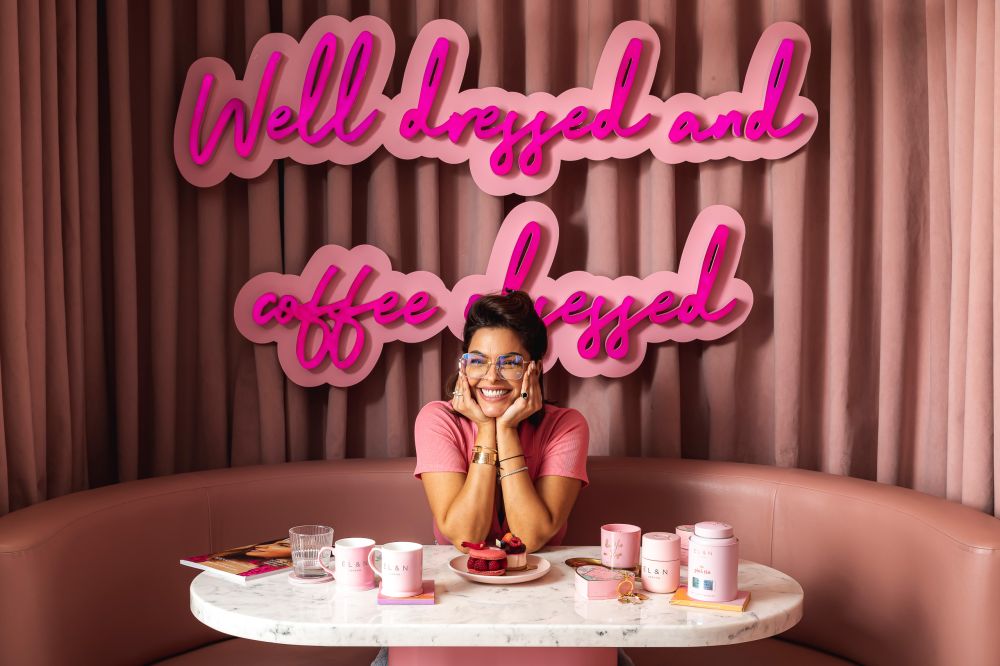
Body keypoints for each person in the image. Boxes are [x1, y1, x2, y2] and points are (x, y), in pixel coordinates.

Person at [413, 290, 589, 552]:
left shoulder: (566, 426)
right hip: (457, 582)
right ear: (464, 367)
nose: (491, 378)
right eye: (478, 361)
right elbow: (465, 536)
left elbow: (529, 538)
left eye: (509, 363)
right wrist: (486, 429)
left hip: (545, 584)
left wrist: (505, 430)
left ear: (536, 368)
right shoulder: (437, 420)